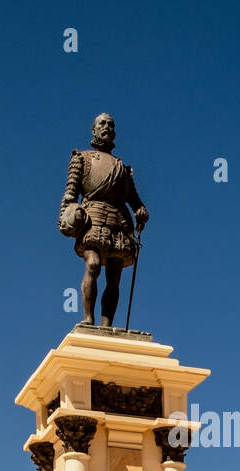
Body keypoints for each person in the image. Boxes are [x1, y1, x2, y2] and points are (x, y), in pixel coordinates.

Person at [57, 113, 149, 327]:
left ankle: (107, 325)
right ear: (94, 129)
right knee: (93, 265)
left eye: (110, 124)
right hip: (93, 219)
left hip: (119, 223)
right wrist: (68, 214)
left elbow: (135, 201)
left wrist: (142, 211)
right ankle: (88, 318)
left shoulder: (122, 168)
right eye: (102, 123)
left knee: (114, 278)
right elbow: (70, 195)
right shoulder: (82, 158)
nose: (106, 127)